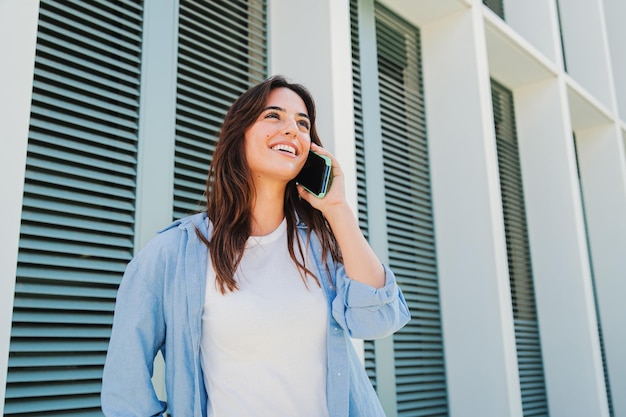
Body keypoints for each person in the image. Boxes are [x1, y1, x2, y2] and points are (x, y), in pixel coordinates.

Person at [101, 75, 410, 417]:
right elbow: (124, 390)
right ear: (240, 135)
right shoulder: (173, 253)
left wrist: (338, 209)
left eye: (302, 123)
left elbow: (379, 321)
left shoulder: (322, 244)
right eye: (273, 116)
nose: (292, 129)